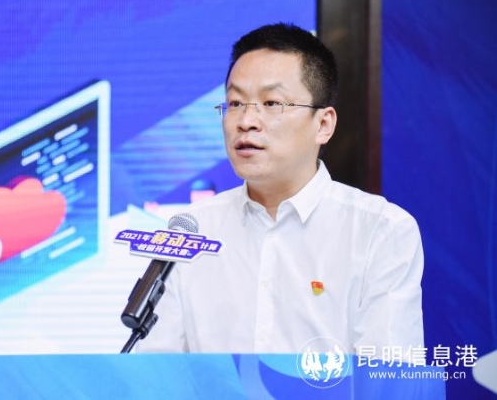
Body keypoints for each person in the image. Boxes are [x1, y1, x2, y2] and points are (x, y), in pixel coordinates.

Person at [137, 23, 424, 357]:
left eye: (272, 103)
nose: (246, 121)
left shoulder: (380, 231)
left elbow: (388, 374)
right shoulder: (190, 230)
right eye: (235, 103)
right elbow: (155, 371)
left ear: (323, 124)